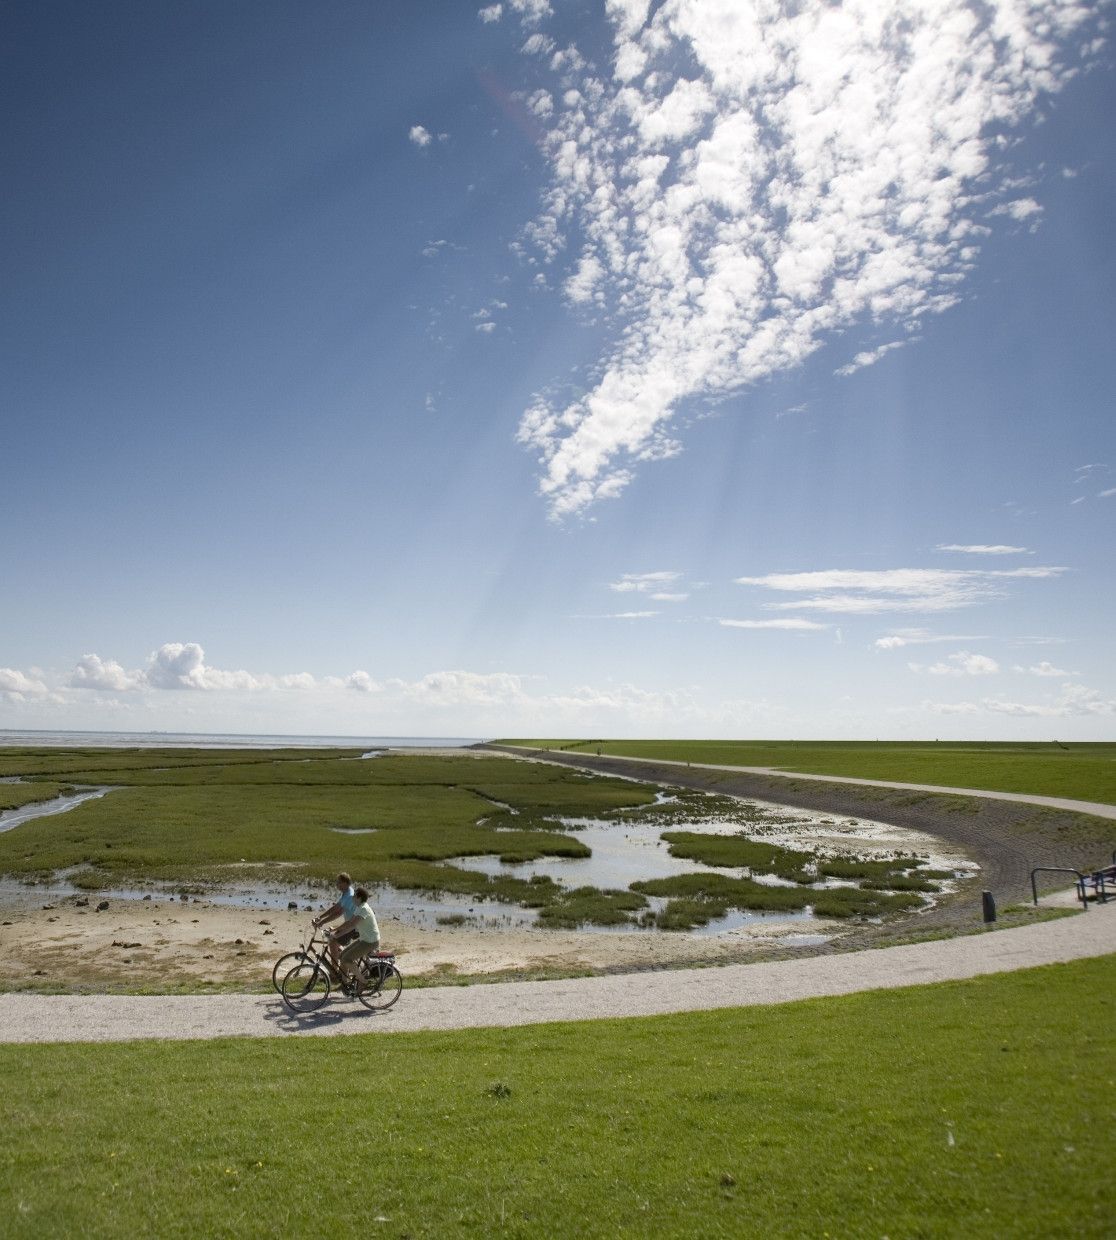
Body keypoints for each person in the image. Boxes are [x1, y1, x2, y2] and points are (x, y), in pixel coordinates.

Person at [331, 886, 381, 989]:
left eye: (354, 896)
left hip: (370, 942)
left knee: (347, 959)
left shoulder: (364, 909)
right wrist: (334, 930)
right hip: (364, 939)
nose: (352, 897)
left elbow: (352, 926)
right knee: (342, 956)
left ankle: (363, 981)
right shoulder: (359, 907)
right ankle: (345, 983)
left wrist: (336, 935)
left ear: (359, 898)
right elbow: (348, 922)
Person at [313, 872, 359, 976]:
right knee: (333, 939)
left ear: (346, 883)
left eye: (339, 883)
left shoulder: (350, 895)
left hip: (353, 927)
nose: (337, 885)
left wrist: (322, 922)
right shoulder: (346, 893)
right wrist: (320, 917)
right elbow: (336, 907)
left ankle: (334, 972)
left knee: (333, 942)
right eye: (337, 883)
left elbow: (339, 912)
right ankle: (344, 963)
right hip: (349, 924)